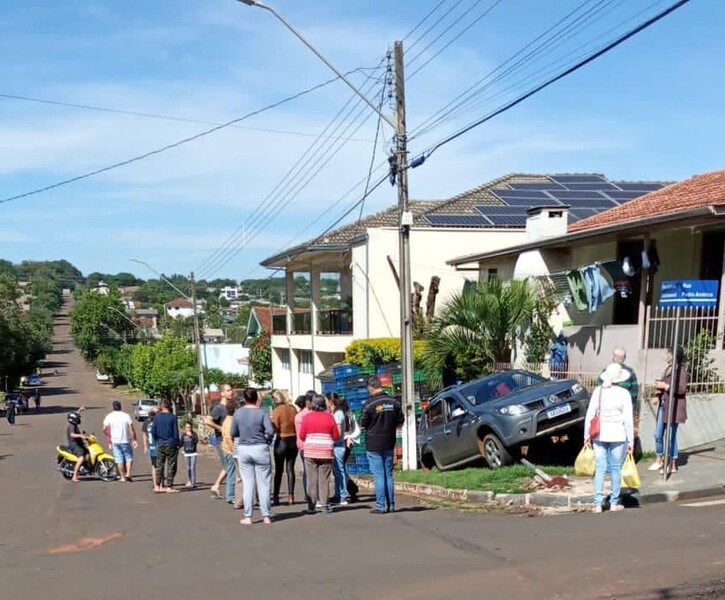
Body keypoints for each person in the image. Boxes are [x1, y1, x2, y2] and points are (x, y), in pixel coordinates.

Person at [584, 363, 634, 513]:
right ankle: (614, 502)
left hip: (599, 434)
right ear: (620, 378)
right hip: (618, 434)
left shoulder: (598, 391)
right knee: (615, 469)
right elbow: (628, 420)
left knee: (600, 468)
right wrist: (630, 441)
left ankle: (598, 503)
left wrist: (586, 435)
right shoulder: (624, 393)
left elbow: (590, 414)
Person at [230, 388, 274, 525]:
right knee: (264, 483)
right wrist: (266, 438)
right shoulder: (262, 413)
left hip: (244, 448)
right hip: (260, 448)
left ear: (244, 398)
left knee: (247, 483)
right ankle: (266, 515)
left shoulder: (238, 413)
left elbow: (233, 432)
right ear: (256, 398)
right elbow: (271, 431)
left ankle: (248, 516)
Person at [360, 376, 404, 514]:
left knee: (379, 475)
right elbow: (400, 422)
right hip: (389, 441)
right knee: (388, 474)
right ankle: (391, 504)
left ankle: (380, 506)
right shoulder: (394, 402)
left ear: (370, 388)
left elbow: (362, 425)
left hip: (374, 443)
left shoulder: (368, 404)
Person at [649, 346, 688, 475]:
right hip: (663, 405)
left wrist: (667, 386)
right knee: (658, 434)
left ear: (674, 355)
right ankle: (659, 459)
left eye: (668, 353)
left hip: (674, 407)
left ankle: (672, 463)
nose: (666, 356)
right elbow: (662, 386)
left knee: (671, 436)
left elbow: (681, 389)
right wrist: (657, 395)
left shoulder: (681, 371)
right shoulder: (668, 369)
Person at [298, 394, 339, 515]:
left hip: (310, 451)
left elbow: (301, 435)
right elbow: (336, 435)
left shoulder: (307, 417)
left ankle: (311, 506)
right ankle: (325, 506)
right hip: (326, 451)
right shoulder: (330, 417)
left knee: (311, 479)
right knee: (324, 479)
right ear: (324, 404)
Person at [271, 390, 298, 505]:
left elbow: (275, 427)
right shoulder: (293, 409)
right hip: (293, 440)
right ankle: (291, 495)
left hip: (281, 439)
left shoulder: (277, 411)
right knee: (290, 468)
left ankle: (276, 496)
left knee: (279, 470)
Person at [206, 384, 233, 499]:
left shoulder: (231, 407)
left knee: (230, 465)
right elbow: (208, 421)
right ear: (222, 393)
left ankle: (216, 486)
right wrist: (221, 428)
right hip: (221, 440)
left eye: (231, 390)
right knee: (229, 465)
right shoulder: (219, 408)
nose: (231, 392)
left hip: (229, 439)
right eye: (228, 390)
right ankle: (217, 486)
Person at [103, 400, 138, 482]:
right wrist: (134, 439)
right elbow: (131, 429)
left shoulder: (110, 416)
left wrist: (109, 435)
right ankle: (128, 474)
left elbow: (104, 429)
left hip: (115, 441)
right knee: (129, 457)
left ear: (113, 407)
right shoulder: (126, 416)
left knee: (119, 459)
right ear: (120, 407)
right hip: (125, 440)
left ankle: (122, 477)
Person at [150, 398, 180, 493]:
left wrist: (157, 439)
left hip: (161, 442)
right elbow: (176, 432)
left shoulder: (157, 417)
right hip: (171, 443)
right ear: (169, 406)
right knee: (171, 465)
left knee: (159, 464)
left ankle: (157, 486)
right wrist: (177, 443)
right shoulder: (172, 417)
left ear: (161, 406)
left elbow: (153, 431)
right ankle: (169, 486)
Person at [327, 392, 350, 506]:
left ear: (330, 401)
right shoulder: (337, 413)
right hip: (338, 446)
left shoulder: (338, 414)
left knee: (339, 471)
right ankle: (338, 494)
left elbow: (338, 431)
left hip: (338, 446)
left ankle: (342, 495)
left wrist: (330, 437)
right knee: (337, 471)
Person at [294, 394, 312, 505]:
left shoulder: (298, 416)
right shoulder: (312, 414)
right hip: (313, 445)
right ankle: (317, 494)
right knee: (315, 471)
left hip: (303, 446)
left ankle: (308, 494)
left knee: (307, 471)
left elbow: (300, 433)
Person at [221, 398, 238, 503]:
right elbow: (229, 439)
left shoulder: (227, 419)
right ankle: (231, 496)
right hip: (229, 451)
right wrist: (234, 451)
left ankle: (231, 494)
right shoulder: (230, 421)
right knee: (232, 473)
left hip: (226, 449)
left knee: (230, 472)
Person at [66, 410, 90, 482]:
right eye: (77, 418)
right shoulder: (72, 426)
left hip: (79, 444)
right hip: (74, 445)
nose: (79, 419)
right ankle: (74, 476)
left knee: (88, 453)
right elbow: (72, 434)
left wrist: (80, 410)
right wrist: (80, 435)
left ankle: (86, 468)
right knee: (81, 458)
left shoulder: (74, 424)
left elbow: (75, 415)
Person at [142, 410, 160, 492]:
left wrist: (145, 446)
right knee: (160, 466)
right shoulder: (157, 425)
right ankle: (160, 483)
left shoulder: (147, 424)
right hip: (158, 446)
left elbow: (145, 435)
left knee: (153, 467)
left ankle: (155, 483)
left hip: (152, 447)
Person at [181, 421, 199, 489]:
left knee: (192, 467)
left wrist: (191, 436)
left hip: (193, 453)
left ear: (191, 428)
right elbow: (181, 443)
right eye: (187, 427)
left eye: (189, 427)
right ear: (185, 428)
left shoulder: (194, 434)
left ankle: (193, 483)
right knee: (188, 468)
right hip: (186, 453)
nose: (188, 429)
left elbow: (196, 441)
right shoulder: (183, 435)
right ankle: (189, 480)